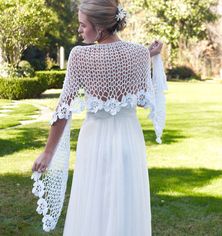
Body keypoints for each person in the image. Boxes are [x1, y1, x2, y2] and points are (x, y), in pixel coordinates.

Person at [31, 0, 166, 235]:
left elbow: (64, 108)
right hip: (129, 139)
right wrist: (148, 54)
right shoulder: (138, 54)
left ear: (100, 27)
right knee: (126, 204)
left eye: (83, 25)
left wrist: (49, 151)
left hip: (95, 141)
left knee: (93, 205)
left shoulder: (80, 56)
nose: (79, 30)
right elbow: (144, 101)